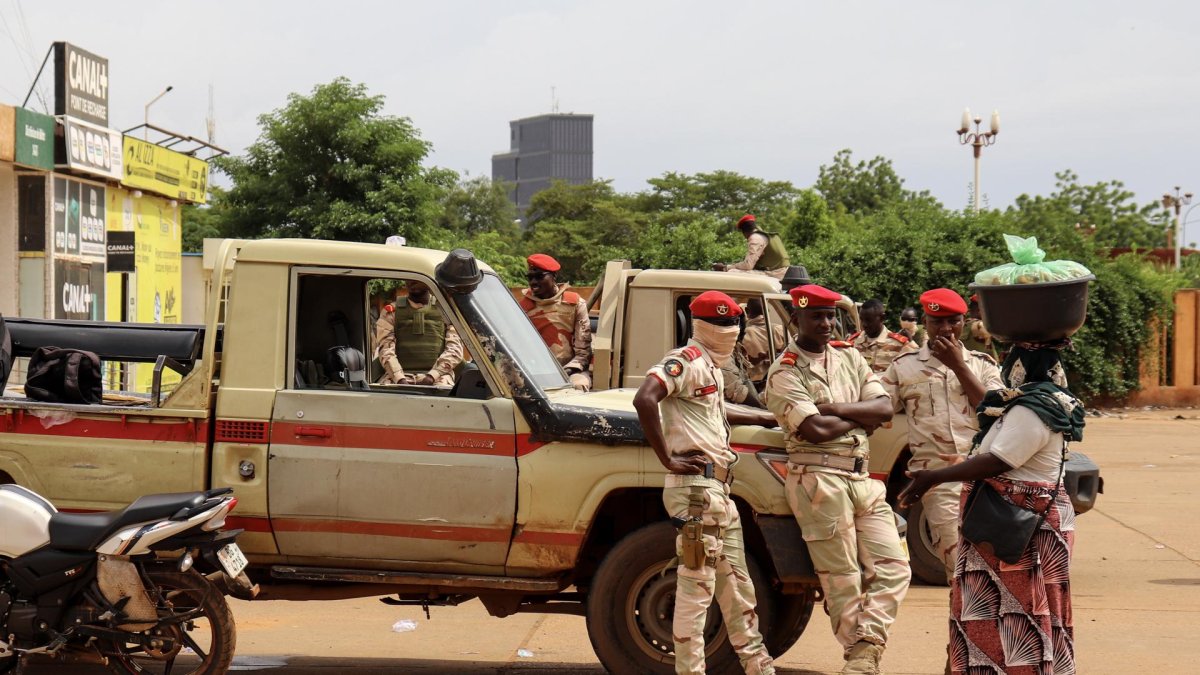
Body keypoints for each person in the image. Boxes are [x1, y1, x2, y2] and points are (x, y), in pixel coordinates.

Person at [899, 339, 1083, 675]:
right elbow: (1008, 454)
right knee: (1015, 613)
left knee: (1020, 616)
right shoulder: (1028, 405)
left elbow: (999, 460)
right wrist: (961, 463)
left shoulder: (1032, 409)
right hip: (1015, 521)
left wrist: (934, 476)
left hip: (1021, 526)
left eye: (1012, 360)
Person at [764, 284, 910, 675]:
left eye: (831, 315)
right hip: (819, 479)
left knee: (895, 566)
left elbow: (884, 407)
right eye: (817, 316)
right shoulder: (785, 370)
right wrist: (859, 417)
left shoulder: (849, 356)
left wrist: (834, 409)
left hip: (862, 479)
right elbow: (815, 430)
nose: (827, 323)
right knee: (842, 577)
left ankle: (867, 643)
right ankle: (859, 657)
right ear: (796, 319)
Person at [632, 291, 776, 675]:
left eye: (733, 323)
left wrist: (766, 418)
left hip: (717, 493)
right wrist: (668, 459)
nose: (730, 331)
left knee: (739, 591)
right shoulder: (686, 360)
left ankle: (759, 667)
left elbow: (713, 410)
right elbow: (645, 398)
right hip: (697, 492)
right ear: (701, 326)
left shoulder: (711, 366)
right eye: (722, 323)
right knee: (696, 593)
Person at [880, 289, 1002, 579]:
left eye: (953, 321)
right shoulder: (903, 367)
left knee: (996, 571)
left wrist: (958, 365)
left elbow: (994, 411)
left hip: (987, 479)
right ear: (925, 322)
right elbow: (879, 408)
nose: (946, 329)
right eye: (937, 322)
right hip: (940, 482)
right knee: (960, 571)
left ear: (963, 322)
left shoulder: (982, 364)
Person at [520, 254, 594, 391]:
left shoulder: (575, 303)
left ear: (554, 276)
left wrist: (566, 371)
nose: (533, 282)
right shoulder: (522, 308)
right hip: (535, 372)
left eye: (539, 277)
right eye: (530, 278)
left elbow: (583, 351)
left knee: (578, 386)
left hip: (571, 370)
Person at [374, 280, 464, 386]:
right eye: (409, 279)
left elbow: (454, 349)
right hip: (398, 376)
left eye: (417, 280)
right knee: (385, 392)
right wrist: (400, 379)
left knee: (444, 392)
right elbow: (386, 349)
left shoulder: (445, 310)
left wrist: (432, 376)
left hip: (439, 376)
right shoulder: (391, 311)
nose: (412, 282)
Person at [713, 214, 791, 281]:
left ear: (744, 232)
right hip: (780, 271)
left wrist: (725, 267)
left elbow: (748, 265)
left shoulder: (755, 238)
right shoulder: (764, 236)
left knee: (733, 272)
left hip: (775, 273)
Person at [847, 299, 917, 373]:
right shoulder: (852, 343)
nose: (864, 324)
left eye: (869, 320)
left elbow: (916, 367)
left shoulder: (899, 344)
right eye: (862, 319)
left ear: (882, 318)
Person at [742, 298, 785, 381]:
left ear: (746, 311)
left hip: (755, 383)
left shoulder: (742, 335)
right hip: (780, 380)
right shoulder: (781, 330)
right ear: (767, 311)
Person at [961, 295, 998, 360]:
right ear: (980, 309)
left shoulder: (961, 325)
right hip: (982, 364)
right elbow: (989, 352)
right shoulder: (981, 326)